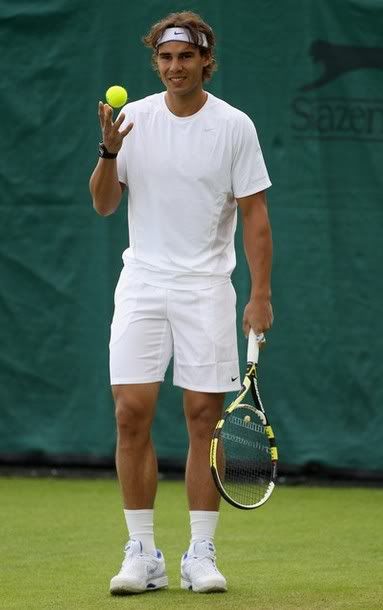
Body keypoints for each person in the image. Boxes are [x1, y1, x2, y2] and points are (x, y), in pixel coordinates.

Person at [89, 10, 273, 595]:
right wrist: (109, 151)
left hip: (206, 288)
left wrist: (260, 294)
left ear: (205, 61)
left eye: (185, 58)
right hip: (142, 282)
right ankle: (142, 554)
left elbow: (255, 218)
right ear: (156, 62)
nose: (175, 68)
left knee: (202, 420)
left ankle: (201, 552)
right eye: (165, 59)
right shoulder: (131, 120)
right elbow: (103, 206)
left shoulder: (234, 126)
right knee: (129, 413)